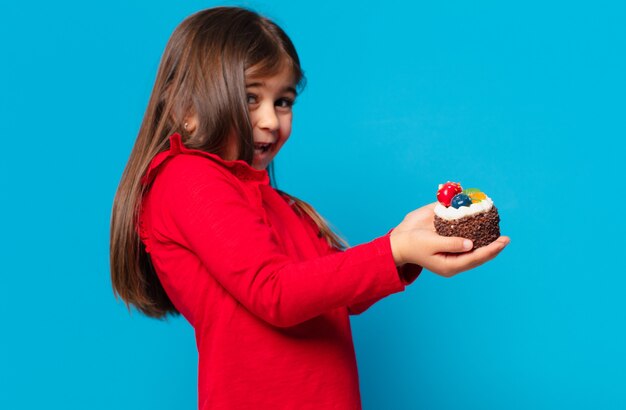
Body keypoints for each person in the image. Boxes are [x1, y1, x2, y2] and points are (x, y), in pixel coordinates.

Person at [109, 6, 510, 409]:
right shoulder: (185, 178)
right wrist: (394, 250)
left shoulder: (277, 203)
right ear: (187, 110)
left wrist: (406, 244)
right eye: (250, 97)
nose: (270, 120)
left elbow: (340, 292)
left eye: (283, 101)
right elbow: (275, 291)